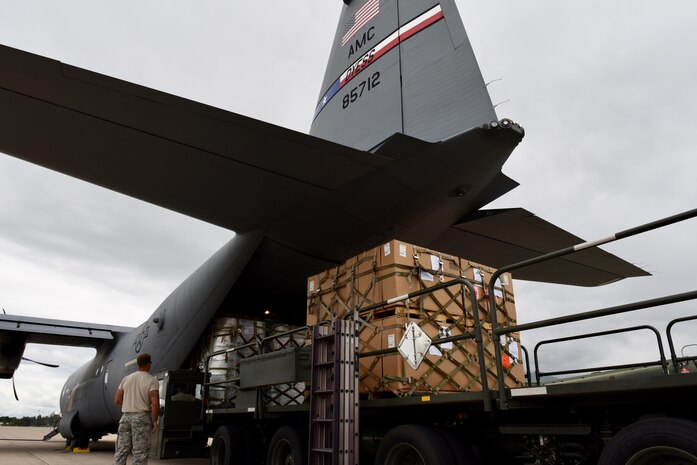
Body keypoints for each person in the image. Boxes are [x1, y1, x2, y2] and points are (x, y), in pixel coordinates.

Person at [113, 353, 160, 465]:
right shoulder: (152, 380)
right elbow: (155, 402)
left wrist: (130, 403)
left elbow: (117, 399)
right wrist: (154, 420)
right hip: (141, 418)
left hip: (125, 418)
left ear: (138, 364)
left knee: (121, 451)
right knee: (140, 453)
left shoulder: (126, 379)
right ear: (149, 364)